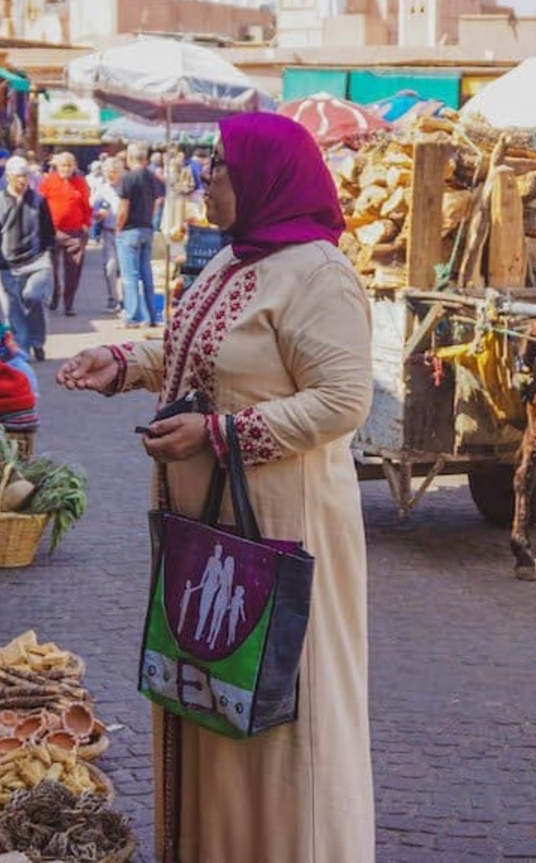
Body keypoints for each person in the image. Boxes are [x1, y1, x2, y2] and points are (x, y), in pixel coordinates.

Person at [56, 112, 375, 862]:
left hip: (277, 527)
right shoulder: (234, 261)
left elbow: (342, 400)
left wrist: (222, 434)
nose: (209, 180)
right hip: (211, 535)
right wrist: (126, 362)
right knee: (211, 691)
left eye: (223, 168)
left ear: (266, 177)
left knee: (274, 708)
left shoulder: (319, 274)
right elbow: (193, 351)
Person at [0, 155, 56, 361]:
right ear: (8, 178)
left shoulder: (39, 200)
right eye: (18, 177)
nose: (23, 181)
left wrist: (48, 252)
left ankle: (37, 340)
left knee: (34, 297)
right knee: (13, 309)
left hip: (37, 260)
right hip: (8, 263)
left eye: (25, 176)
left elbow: (49, 231)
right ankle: (22, 349)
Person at [117, 143, 164, 328]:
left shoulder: (128, 178)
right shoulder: (151, 177)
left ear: (130, 157)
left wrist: (119, 227)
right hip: (146, 228)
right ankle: (150, 316)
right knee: (146, 274)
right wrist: (149, 221)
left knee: (130, 276)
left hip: (130, 230)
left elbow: (123, 207)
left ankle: (133, 316)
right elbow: (156, 203)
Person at [39, 151, 92, 315]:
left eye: (69, 165)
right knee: (50, 268)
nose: (66, 169)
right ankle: (55, 293)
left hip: (74, 233)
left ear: (74, 166)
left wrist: (86, 224)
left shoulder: (80, 182)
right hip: (52, 231)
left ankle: (69, 304)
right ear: (57, 166)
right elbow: (40, 204)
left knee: (73, 270)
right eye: (63, 165)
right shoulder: (49, 181)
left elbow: (86, 205)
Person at [92, 156, 124, 312]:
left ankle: (126, 299)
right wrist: (98, 214)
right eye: (107, 172)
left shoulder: (126, 186)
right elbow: (90, 206)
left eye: (114, 172)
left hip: (125, 232)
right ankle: (112, 298)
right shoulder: (102, 188)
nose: (110, 175)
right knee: (110, 267)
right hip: (109, 232)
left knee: (125, 269)